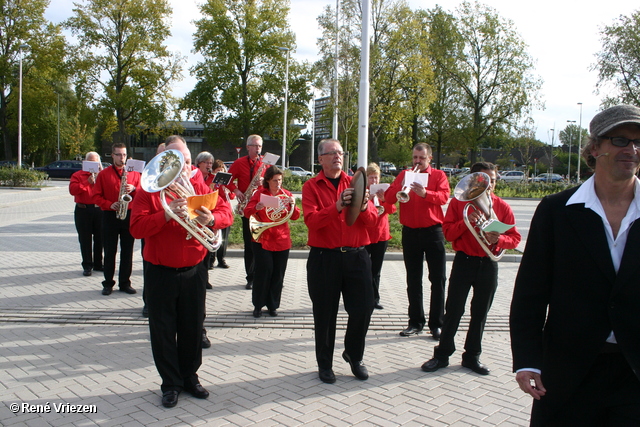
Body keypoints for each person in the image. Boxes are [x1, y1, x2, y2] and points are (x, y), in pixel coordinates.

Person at [510, 104, 640, 426]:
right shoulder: (557, 211)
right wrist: (527, 360)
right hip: (568, 373)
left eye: (639, 141)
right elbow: (530, 293)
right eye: (621, 140)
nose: (633, 149)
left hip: (635, 375)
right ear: (595, 148)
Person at [130, 136, 233, 408]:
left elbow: (226, 213)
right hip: (160, 271)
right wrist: (164, 215)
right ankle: (170, 383)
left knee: (191, 327)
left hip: (194, 270)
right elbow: (136, 228)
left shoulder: (200, 184)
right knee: (163, 331)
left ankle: (190, 377)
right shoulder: (149, 189)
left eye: (186, 161)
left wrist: (212, 219)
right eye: (178, 162)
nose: (184, 167)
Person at [421, 162, 521, 375]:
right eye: (485, 180)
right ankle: (442, 354)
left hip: (488, 263)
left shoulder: (502, 206)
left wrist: (499, 238)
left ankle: (472, 356)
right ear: (475, 181)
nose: (490, 185)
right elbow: (447, 233)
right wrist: (465, 224)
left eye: (492, 180)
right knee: (454, 310)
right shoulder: (460, 205)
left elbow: (515, 239)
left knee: (480, 312)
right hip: (464, 261)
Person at [302, 138, 378, 384]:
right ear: (320, 159)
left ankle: (353, 355)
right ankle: (325, 364)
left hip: (357, 256)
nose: (337, 156)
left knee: (364, 307)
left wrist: (365, 206)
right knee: (325, 314)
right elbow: (311, 221)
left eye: (340, 152)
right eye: (331, 153)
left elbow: (373, 222)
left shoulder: (356, 182)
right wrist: (336, 206)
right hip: (325, 258)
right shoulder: (311, 186)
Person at [384, 143, 450, 339]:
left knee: (437, 279)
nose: (417, 162)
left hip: (433, 231)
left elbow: (444, 197)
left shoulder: (438, 176)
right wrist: (400, 184)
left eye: (421, 158)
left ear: (429, 159)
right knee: (413, 279)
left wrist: (425, 194)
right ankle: (415, 322)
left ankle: (437, 324)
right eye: (415, 158)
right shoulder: (405, 174)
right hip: (410, 232)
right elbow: (388, 198)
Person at [244, 165, 300, 318]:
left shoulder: (286, 195)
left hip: (282, 239)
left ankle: (273, 305)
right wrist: (257, 206)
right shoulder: (260, 194)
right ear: (267, 181)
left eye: (280, 180)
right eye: (275, 180)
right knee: (263, 272)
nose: (278, 184)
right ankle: (258, 305)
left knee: (278, 274)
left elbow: (295, 216)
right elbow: (247, 212)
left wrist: (292, 204)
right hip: (263, 239)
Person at [94, 142, 140, 296]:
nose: (122, 158)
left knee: (127, 252)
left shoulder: (133, 174)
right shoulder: (103, 174)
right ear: (112, 155)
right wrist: (109, 204)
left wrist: (134, 189)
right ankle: (108, 283)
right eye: (119, 154)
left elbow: (142, 193)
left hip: (129, 214)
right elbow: (95, 196)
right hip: (110, 216)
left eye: (124, 155)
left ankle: (125, 283)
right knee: (110, 251)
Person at [228, 134, 265, 289]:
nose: (257, 149)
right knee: (249, 244)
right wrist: (235, 190)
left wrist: (264, 181)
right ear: (248, 147)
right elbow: (226, 179)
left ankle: (263, 276)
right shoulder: (238, 163)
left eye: (260, 146)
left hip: (262, 207)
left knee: (263, 243)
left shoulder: (266, 164)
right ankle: (250, 277)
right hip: (247, 207)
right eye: (255, 146)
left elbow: (277, 180)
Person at [365, 162, 396, 310]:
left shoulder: (385, 192)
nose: (374, 181)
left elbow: (391, 210)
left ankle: (374, 299)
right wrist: (369, 199)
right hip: (365, 235)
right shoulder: (364, 192)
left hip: (381, 234)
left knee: (376, 269)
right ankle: (362, 296)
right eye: (371, 178)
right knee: (364, 268)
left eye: (376, 178)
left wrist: (384, 198)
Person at [69, 151, 104, 276]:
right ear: (85, 163)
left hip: (99, 210)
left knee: (100, 238)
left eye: (95, 162)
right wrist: (87, 182)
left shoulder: (102, 176)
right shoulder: (77, 175)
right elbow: (72, 190)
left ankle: (98, 263)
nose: (92, 165)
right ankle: (87, 265)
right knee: (85, 239)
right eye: (90, 162)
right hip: (83, 210)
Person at [195, 151, 217, 275]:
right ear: (199, 163)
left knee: (208, 248)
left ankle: (205, 276)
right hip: (196, 215)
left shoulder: (213, 178)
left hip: (208, 216)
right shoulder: (193, 177)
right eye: (206, 162)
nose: (209, 165)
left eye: (211, 163)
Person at [211, 159, 234, 269]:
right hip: (215, 211)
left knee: (224, 237)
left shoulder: (226, 182)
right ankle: (211, 259)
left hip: (225, 211)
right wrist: (217, 185)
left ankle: (221, 259)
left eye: (222, 170)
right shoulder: (212, 182)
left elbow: (232, 196)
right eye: (217, 171)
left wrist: (228, 190)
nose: (220, 172)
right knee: (213, 236)